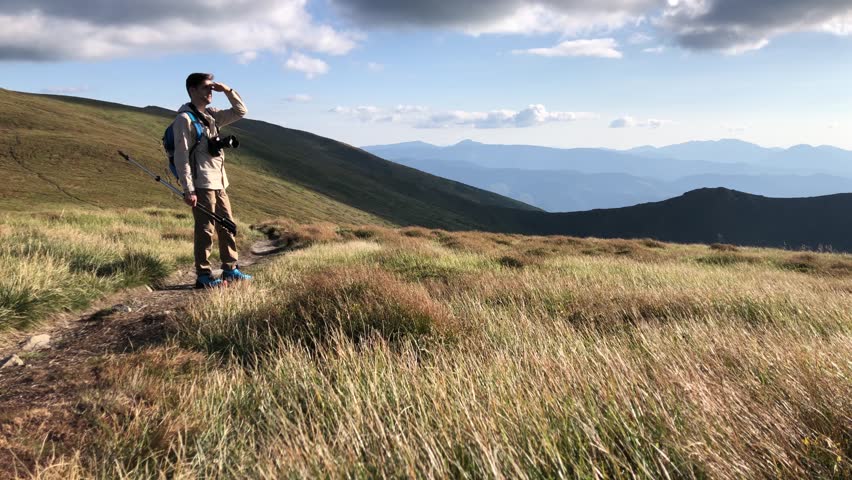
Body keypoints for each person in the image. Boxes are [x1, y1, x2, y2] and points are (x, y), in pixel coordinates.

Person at [173, 72, 251, 288]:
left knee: (227, 225)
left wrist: (227, 90)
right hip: (201, 183)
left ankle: (230, 269)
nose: (210, 91)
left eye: (211, 87)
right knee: (205, 229)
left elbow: (241, 111)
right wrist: (189, 189)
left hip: (219, 181)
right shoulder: (184, 119)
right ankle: (204, 275)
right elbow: (181, 156)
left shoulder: (212, 115)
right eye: (206, 87)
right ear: (192, 90)